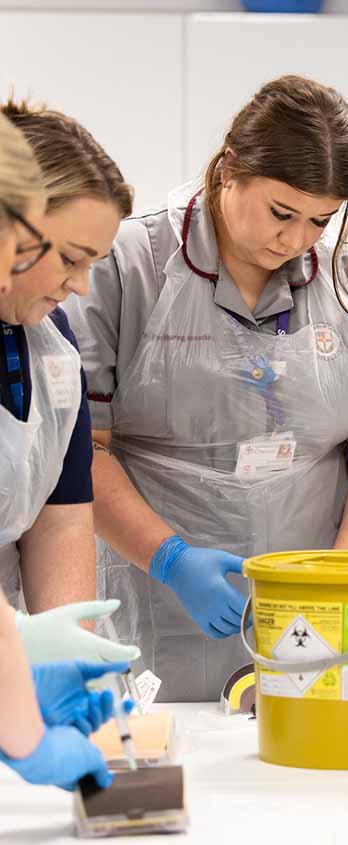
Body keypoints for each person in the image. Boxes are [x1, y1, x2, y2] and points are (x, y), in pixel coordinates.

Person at [68, 75, 348, 701]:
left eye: (321, 220)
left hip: (308, 610)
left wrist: (335, 584)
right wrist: (170, 559)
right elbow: (81, 452)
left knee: (300, 746)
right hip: (155, 593)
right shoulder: (127, 265)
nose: (296, 240)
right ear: (230, 166)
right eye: (281, 213)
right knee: (162, 745)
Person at [0, 112, 120, 793]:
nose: (79, 285)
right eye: (69, 258)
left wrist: (59, 661)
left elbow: (62, 515)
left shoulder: (52, 347)